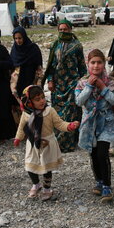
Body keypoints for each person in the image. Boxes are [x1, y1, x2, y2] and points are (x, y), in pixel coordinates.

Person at [14, 86, 79, 200]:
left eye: (43, 97)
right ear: (29, 102)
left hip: (47, 143)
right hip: (33, 143)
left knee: (47, 168)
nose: (42, 101)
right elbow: (21, 127)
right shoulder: (26, 113)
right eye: (37, 99)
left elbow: (59, 124)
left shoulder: (49, 111)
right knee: (30, 165)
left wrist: (69, 126)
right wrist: (18, 138)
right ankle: (36, 184)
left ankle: (47, 188)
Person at [75, 49, 114, 203]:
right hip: (89, 124)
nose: (96, 66)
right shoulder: (82, 82)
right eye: (92, 62)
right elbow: (79, 101)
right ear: (88, 64)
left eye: (99, 62)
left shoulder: (111, 82)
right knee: (93, 154)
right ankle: (99, 181)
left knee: (102, 153)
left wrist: (102, 86)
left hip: (106, 122)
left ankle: (107, 186)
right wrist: (88, 87)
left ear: (104, 64)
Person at [44, 20, 87, 152]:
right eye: (60, 30)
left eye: (65, 29)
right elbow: (51, 66)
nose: (63, 32)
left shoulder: (77, 46)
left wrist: (81, 84)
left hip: (72, 85)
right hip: (57, 86)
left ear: (70, 30)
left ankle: (68, 144)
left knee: (70, 114)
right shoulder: (55, 45)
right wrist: (50, 80)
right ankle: (58, 142)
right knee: (57, 115)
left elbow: (82, 68)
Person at [10, 26, 43, 100]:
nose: (18, 41)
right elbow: (12, 66)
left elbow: (39, 67)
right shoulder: (14, 49)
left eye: (20, 38)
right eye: (16, 38)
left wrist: (39, 82)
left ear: (24, 37)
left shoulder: (33, 48)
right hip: (18, 82)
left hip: (31, 79)